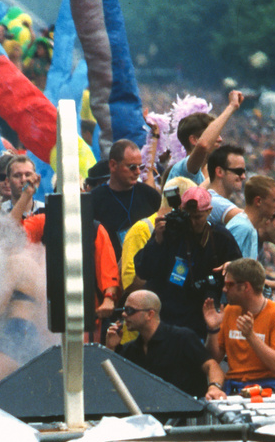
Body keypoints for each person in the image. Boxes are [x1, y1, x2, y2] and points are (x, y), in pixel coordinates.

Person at [133, 185, 239, 339]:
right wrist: (157, 241)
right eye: (188, 216)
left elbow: (240, 272)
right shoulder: (171, 231)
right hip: (165, 315)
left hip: (198, 317)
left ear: (209, 211)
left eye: (198, 217)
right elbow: (143, 270)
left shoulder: (220, 238)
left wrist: (232, 269)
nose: (193, 222)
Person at [105, 289, 223, 399]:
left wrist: (214, 387)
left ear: (149, 314)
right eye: (124, 310)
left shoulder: (182, 338)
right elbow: (108, 384)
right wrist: (110, 348)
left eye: (130, 310)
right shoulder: (130, 349)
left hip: (184, 415)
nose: (124, 315)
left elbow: (212, 366)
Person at [205, 257, 275, 394]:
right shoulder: (230, 310)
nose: (224, 290)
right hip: (234, 386)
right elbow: (215, 358)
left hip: (267, 389)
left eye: (229, 284)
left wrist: (250, 336)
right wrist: (213, 329)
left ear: (245, 287)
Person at [86, 141, 161, 257]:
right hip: (111, 269)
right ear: (113, 165)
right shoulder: (93, 200)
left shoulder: (150, 195)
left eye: (140, 166)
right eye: (132, 167)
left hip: (145, 268)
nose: (138, 172)